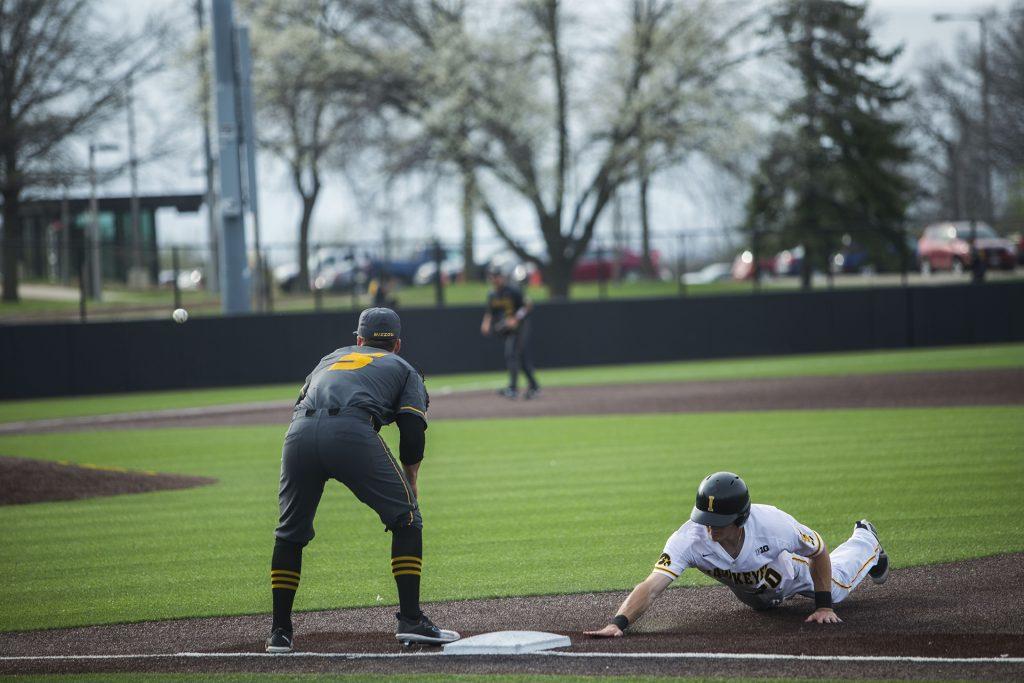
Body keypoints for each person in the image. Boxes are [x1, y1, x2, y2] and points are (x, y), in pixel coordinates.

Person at [266, 307, 459, 653]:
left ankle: (279, 632)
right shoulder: (403, 367)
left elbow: (300, 401)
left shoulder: (329, 358)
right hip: (351, 433)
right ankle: (411, 620)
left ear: (358, 339)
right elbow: (412, 429)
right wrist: (411, 478)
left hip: (297, 434)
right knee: (407, 519)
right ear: (397, 344)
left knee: (289, 533)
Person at [585, 471, 889, 637]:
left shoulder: (773, 524)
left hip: (789, 574)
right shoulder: (688, 539)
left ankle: (865, 539)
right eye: (705, 520)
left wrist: (823, 607)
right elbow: (651, 586)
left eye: (719, 523)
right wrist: (618, 622)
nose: (710, 530)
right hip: (753, 591)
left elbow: (818, 550)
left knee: (835, 591)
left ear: (741, 518)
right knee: (761, 605)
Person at [480, 265, 540, 399]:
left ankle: (513, 388)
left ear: (502, 277)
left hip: (521, 327)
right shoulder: (492, 294)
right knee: (520, 357)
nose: (494, 279)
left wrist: (516, 318)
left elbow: (528, 305)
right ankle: (534, 386)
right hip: (509, 329)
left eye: (497, 276)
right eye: (492, 277)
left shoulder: (513, 290)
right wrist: (486, 323)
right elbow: (490, 312)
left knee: (511, 353)